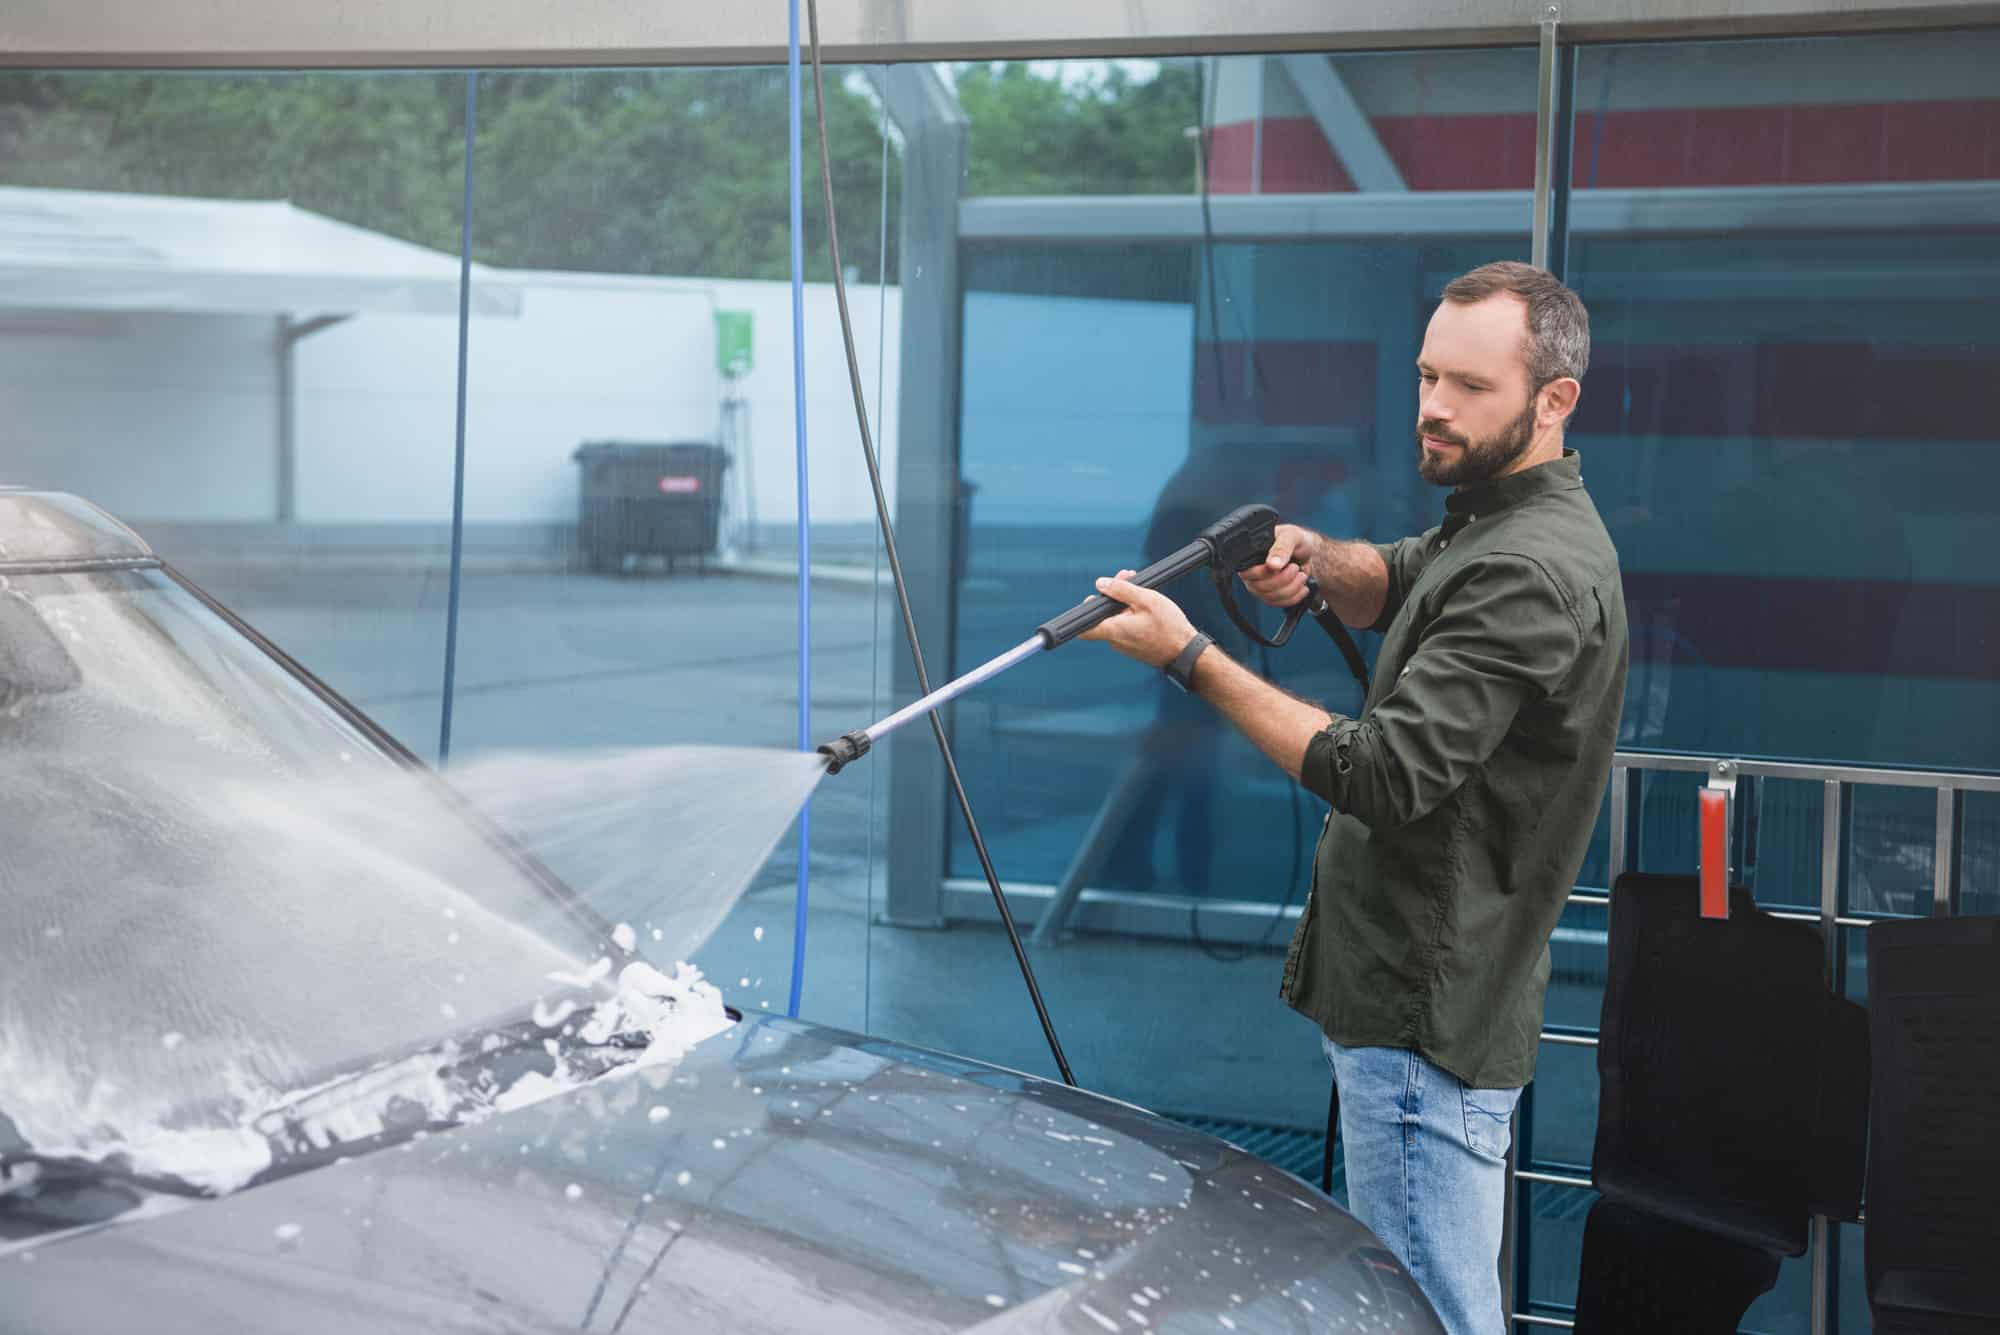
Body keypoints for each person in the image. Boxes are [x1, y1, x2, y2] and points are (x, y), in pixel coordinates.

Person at [1079, 261, 1627, 1335]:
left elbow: (1380, 774)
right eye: (1426, 375)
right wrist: (1308, 557)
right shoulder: (1490, 525)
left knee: (1426, 1310)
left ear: (1552, 399)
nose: (1431, 404)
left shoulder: (1527, 567)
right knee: (1421, 1293)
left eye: (1468, 385)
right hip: (1419, 1001)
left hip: (1423, 1021)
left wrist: (1188, 656)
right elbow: (1398, 574)